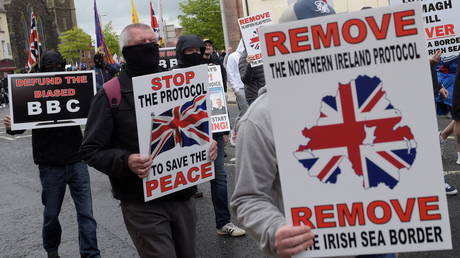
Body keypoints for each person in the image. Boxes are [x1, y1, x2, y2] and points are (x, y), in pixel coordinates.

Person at [231, 1, 397, 257]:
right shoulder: (261, 117)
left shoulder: (363, 94)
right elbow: (247, 198)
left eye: (330, 34)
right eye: (308, 37)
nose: (323, 47)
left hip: (376, 240)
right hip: (311, 249)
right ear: (284, 44)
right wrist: (274, 229)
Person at [80, 24, 218, 258]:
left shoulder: (177, 85)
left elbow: (192, 125)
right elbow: (91, 150)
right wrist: (126, 161)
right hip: (141, 202)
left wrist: (208, 145)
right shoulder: (110, 94)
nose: (149, 48)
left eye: (153, 43)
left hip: (182, 194)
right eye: (141, 44)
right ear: (125, 52)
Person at [3, 50, 100, 258]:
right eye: (50, 68)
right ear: (42, 69)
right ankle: (52, 251)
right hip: (50, 165)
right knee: (51, 215)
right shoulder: (32, 88)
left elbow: (92, 113)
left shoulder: (74, 87)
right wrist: (11, 125)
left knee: (86, 214)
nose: (54, 72)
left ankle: (91, 254)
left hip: (77, 160)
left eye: (58, 67)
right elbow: (19, 125)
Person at [199, 35, 246, 236]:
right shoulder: (178, 74)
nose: (205, 49)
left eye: (209, 45)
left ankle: (223, 222)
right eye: (192, 51)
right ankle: (181, 227)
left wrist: (224, 127)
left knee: (219, 177)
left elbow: (219, 98)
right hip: (190, 135)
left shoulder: (215, 66)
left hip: (214, 131)